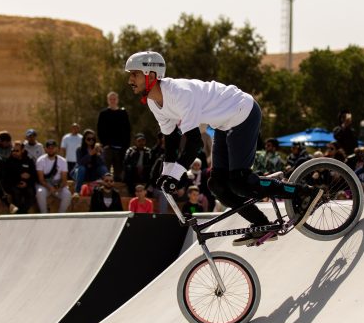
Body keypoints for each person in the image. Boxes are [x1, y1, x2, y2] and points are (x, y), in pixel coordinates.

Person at [124, 50, 320, 247]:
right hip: (223, 124)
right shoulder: (154, 102)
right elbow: (171, 139)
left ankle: (303, 192)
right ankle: (261, 223)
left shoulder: (180, 93)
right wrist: (166, 174)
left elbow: (195, 143)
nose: (130, 80)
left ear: (151, 76)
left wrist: (175, 175)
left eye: (134, 74)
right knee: (217, 185)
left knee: (240, 182)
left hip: (243, 113)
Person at [97, 91, 131, 182]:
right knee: (106, 173)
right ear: (108, 100)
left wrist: (126, 146)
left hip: (121, 148)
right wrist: (104, 144)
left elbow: (128, 130)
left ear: (117, 100)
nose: (112, 101)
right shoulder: (103, 114)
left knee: (118, 175)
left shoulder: (123, 113)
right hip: (108, 147)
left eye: (114, 99)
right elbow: (100, 130)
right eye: (110, 99)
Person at [35, 139, 71, 214]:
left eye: (53, 148)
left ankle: (60, 215)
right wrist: (50, 188)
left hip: (57, 185)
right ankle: (44, 214)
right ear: (45, 149)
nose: (51, 150)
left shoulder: (63, 161)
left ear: (57, 148)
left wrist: (58, 188)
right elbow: (41, 179)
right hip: (44, 185)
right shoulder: (40, 160)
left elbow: (64, 180)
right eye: (49, 148)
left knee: (67, 194)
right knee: (40, 192)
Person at [2, 141, 37, 214]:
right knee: (16, 193)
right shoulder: (9, 161)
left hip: (26, 184)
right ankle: (21, 214)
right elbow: (6, 176)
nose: (14, 152)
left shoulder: (29, 161)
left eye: (17, 151)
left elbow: (34, 175)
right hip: (13, 184)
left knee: (31, 193)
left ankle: (21, 213)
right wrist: (18, 178)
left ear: (22, 150)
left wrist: (27, 183)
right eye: (13, 150)